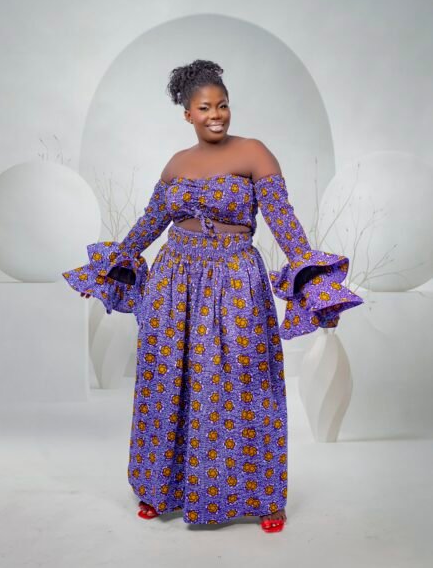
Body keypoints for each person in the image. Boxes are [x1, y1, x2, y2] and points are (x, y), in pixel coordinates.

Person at [62, 59, 364, 533]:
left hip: (236, 281)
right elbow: (149, 224)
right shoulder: (176, 164)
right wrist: (110, 268)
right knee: (168, 383)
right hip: (174, 282)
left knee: (246, 383)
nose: (216, 115)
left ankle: (262, 497)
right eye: (205, 108)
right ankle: (159, 489)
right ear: (188, 114)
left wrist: (314, 283)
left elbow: (283, 221)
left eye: (222, 105)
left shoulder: (254, 153)